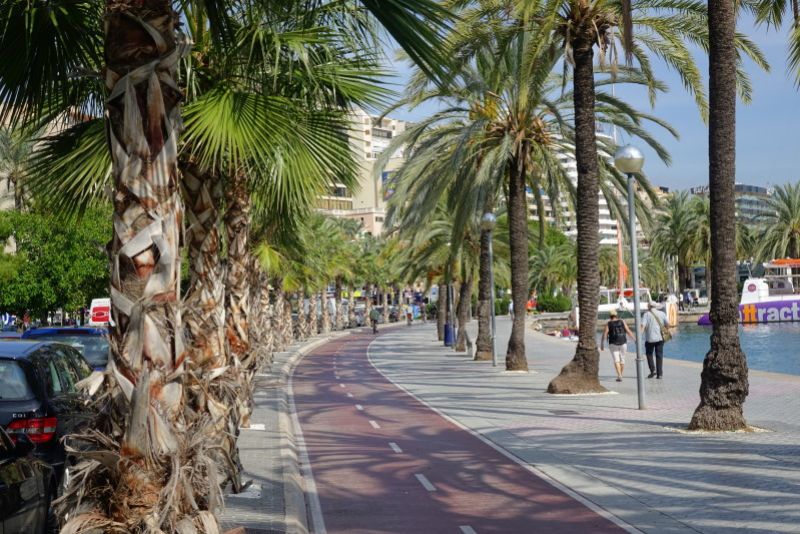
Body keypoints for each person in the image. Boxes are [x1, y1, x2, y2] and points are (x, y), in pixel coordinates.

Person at [600, 309, 634, 382]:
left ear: (610, 316)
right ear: (616, 315)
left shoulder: (608, 323)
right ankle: (620, 375)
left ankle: (619, 375)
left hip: (613, 343)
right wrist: (635, 339)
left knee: (616, 360)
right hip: (623, 342)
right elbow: (628, 330)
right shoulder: (622, 321)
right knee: (622, 359)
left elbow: (605, 334)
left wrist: (602, 344)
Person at [641, 301, 669, 379]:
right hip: (660, 338)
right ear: (655, 306)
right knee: (659, 355)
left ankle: (653, 370)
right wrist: (666, 330)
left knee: (649, 354)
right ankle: (659, 374)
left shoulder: (646, 315)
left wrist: (639, 337)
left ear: (649, 306)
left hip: (650, 338)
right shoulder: (662, 314)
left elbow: (642, 327)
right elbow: (667, 324)